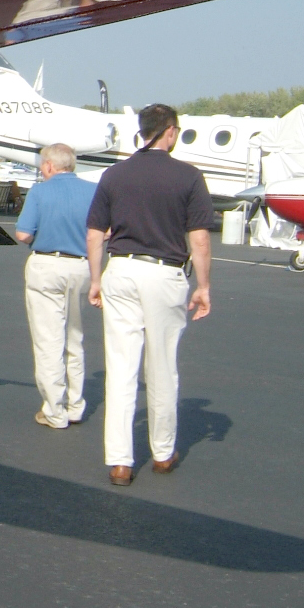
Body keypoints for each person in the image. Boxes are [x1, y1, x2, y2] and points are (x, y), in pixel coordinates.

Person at [87, 104, 215, 487]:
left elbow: (96, 233)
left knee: (122, 368)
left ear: (143, 131)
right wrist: (204, 286)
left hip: (121, 269)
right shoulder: (189, 176)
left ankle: (120, 461)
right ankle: (162, 452)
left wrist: (96, 279)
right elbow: (200, 238)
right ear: (171, 132)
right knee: (161, 366)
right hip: (164, 273)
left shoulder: (114, 173)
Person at [14, 142, 97, 430]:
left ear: (49, 165)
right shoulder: (91, 190)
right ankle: (75, 405)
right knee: (74, 337)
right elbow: (105, 231)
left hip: (48, 264)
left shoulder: (40, 191)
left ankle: (55, 410)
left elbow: (24, 233)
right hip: (82, 266)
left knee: (49, 340)